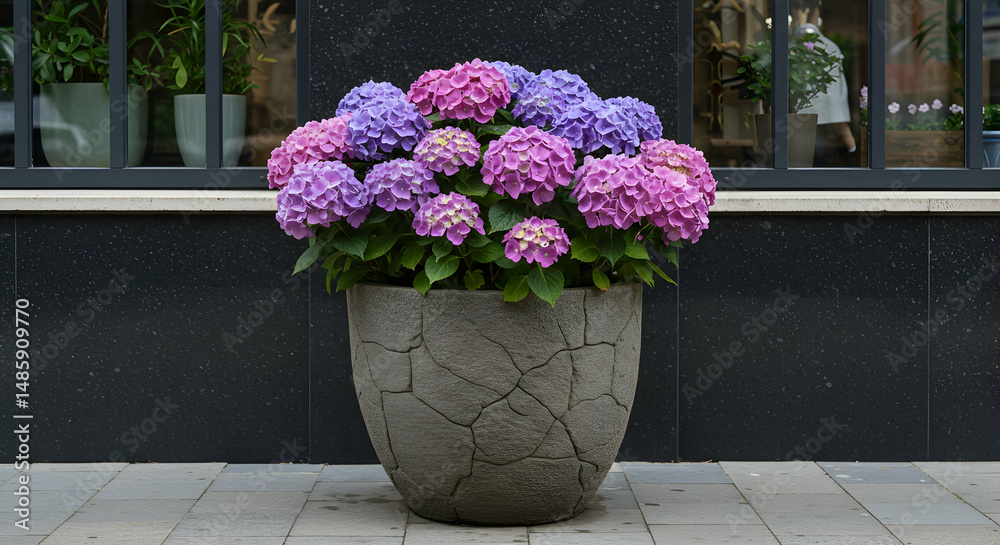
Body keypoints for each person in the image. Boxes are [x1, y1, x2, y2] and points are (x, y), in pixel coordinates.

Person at [790, 0, 857, 163]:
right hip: (812, 116)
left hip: (800, 118)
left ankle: (852, 150)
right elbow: (835, 95)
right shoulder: (827, 47)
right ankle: (852, 151)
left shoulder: (794, 45)